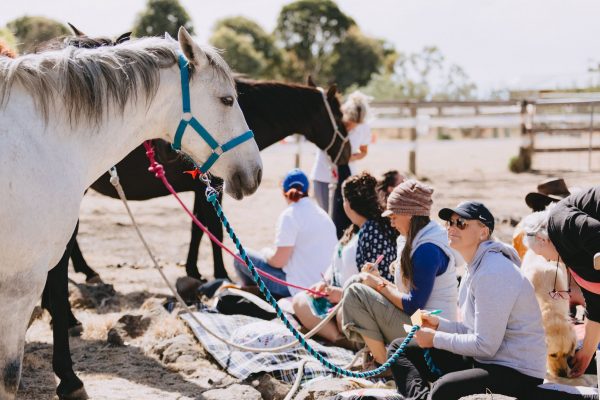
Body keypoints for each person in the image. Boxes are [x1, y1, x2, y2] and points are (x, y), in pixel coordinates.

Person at [387, 201, 546, 400]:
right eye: (449, 223)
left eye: (461, 222)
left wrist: (435, 338)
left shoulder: (493, 271)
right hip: (487, 360)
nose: (452, 227)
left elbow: (485, 345)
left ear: (483, 232)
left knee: (443, 389)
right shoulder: (475, 267)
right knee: (399, 351)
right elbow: (473, 332)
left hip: (517, 372)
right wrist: (440, 325)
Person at [341, 179, 458, 364]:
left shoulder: (427, 249)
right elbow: (408, 295)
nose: (392, 223)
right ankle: (384, 359)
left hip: (431, 332)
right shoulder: (418, 239)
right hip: (421, 322)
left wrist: (378, 285)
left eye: (393, 217)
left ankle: (383, 364)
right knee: (361, 287)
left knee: (355, 293)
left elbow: (413, 304)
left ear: (409, 214)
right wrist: (377, 279)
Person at [292, 172, 397, 345]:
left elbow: (379, 281)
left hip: (358, 303)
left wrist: (342, 295)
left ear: (348, 203)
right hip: (336, 298)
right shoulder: (355, 229)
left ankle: (344, 338)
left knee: (343, 313)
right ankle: (339, 339)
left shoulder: (374, 231)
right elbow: (336, 265)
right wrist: (324, 283)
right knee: (300, 301)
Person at [521, 185, 600, 377]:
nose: (548, 261)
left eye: (544, 256)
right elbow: (597, 308)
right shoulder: (573, 256)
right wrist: (586, 353)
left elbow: (595, 232)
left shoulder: (558, 221)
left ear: (542, 240)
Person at [233, 169, 337, 298]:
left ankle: (256, 294)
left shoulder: (290, 215)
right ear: (307, 190)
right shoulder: (322, 214)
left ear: (284, 192)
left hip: (296, 287)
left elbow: (278, 262)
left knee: (239, 256)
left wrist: (265, 253)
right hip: (323, 285)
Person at [324, 91, 373, 237]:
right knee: (327, 216)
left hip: (347, 174)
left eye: (354, 125)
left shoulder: (363, 128)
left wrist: (350, 157)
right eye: (349, 124)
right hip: (324, 173)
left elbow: (364, 151)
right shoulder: (334, 122)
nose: (351, 127)